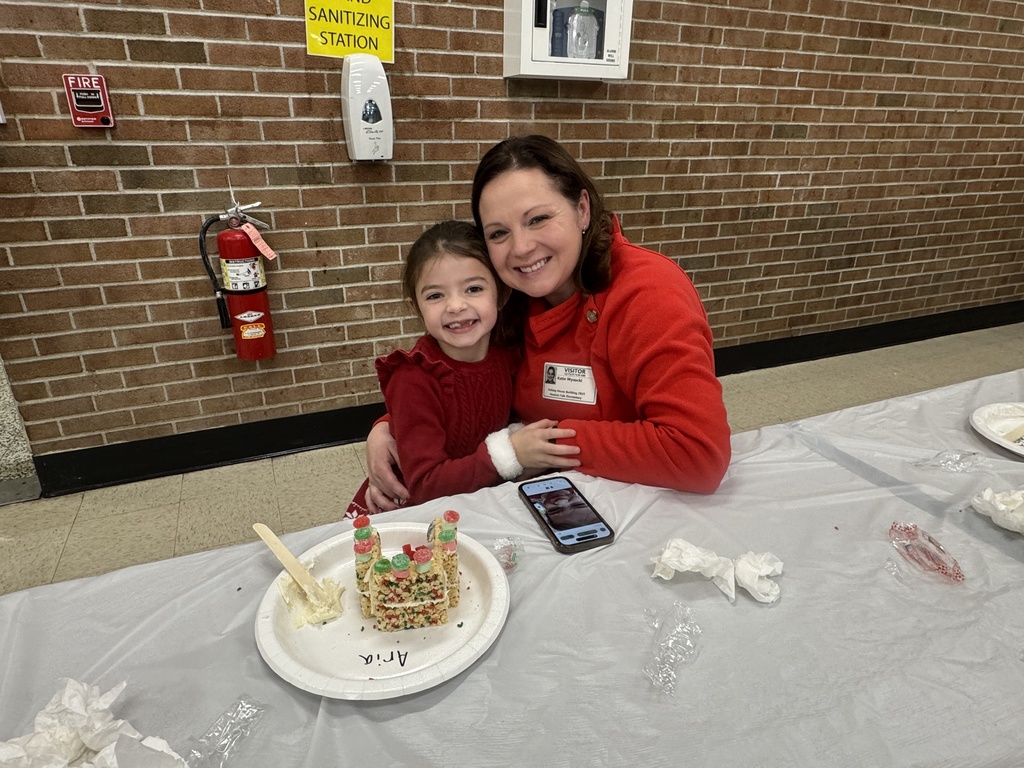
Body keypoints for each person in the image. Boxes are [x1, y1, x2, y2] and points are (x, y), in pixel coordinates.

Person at [363, 136, 731, 512]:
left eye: (538, 219)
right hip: (525, 493)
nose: (521, 248)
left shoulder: (648, 292)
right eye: (499, 233)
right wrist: (391, 425)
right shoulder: (511, 291)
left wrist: (544, 443)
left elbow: (698, 454)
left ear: (582, 210)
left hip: (624, 499)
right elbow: (460, 373)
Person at [346, 220, 579, 517]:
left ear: (501, 294)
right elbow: (425, 486)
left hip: (470, 500)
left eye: (473, 288)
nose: (455, 306)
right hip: (410, 515)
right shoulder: (414, 377)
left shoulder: (506, 354)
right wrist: (508, 454)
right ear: (415, 307)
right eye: (435, 295)